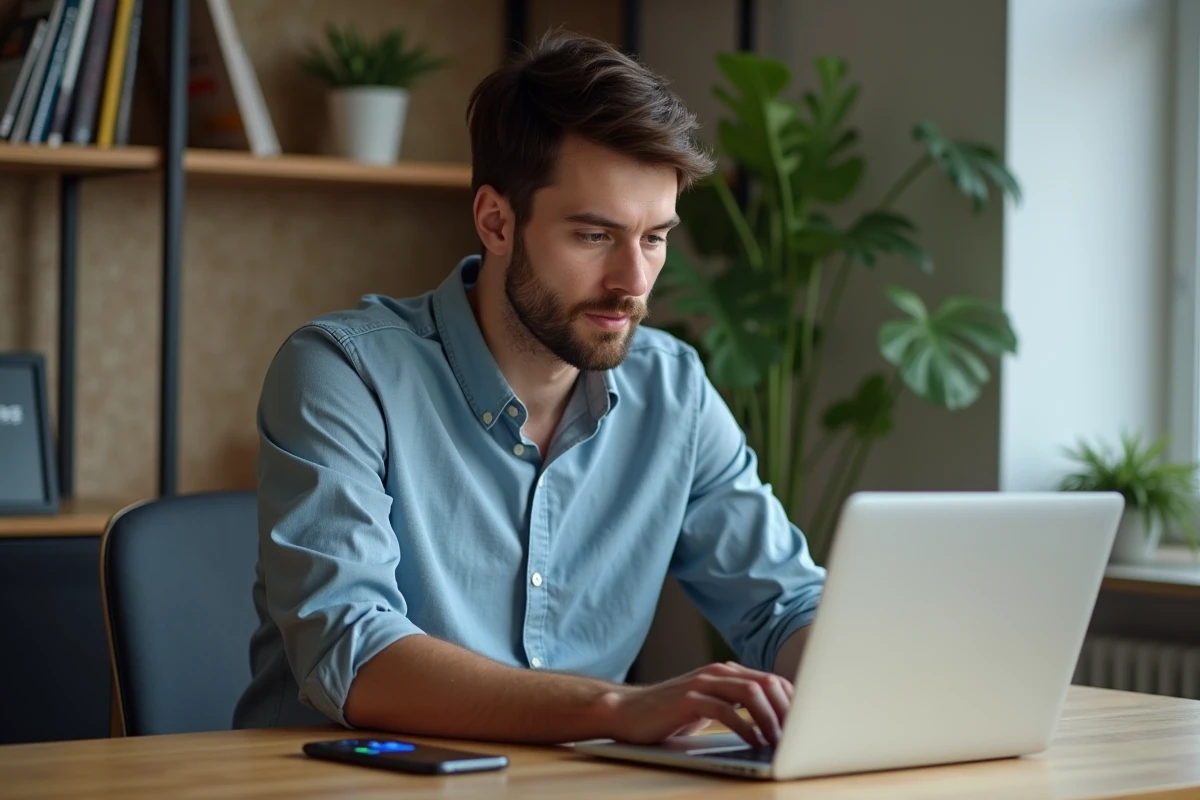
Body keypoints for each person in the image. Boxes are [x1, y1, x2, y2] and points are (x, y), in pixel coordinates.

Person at [233, 31, 825, 749]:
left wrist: (857, 668)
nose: (633, 283)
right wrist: (616, 709)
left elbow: (785, 603)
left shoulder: (674, 391)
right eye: (594, 236)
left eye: (655, 239)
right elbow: (353, 651)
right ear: (497, 220)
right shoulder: (344, 374)